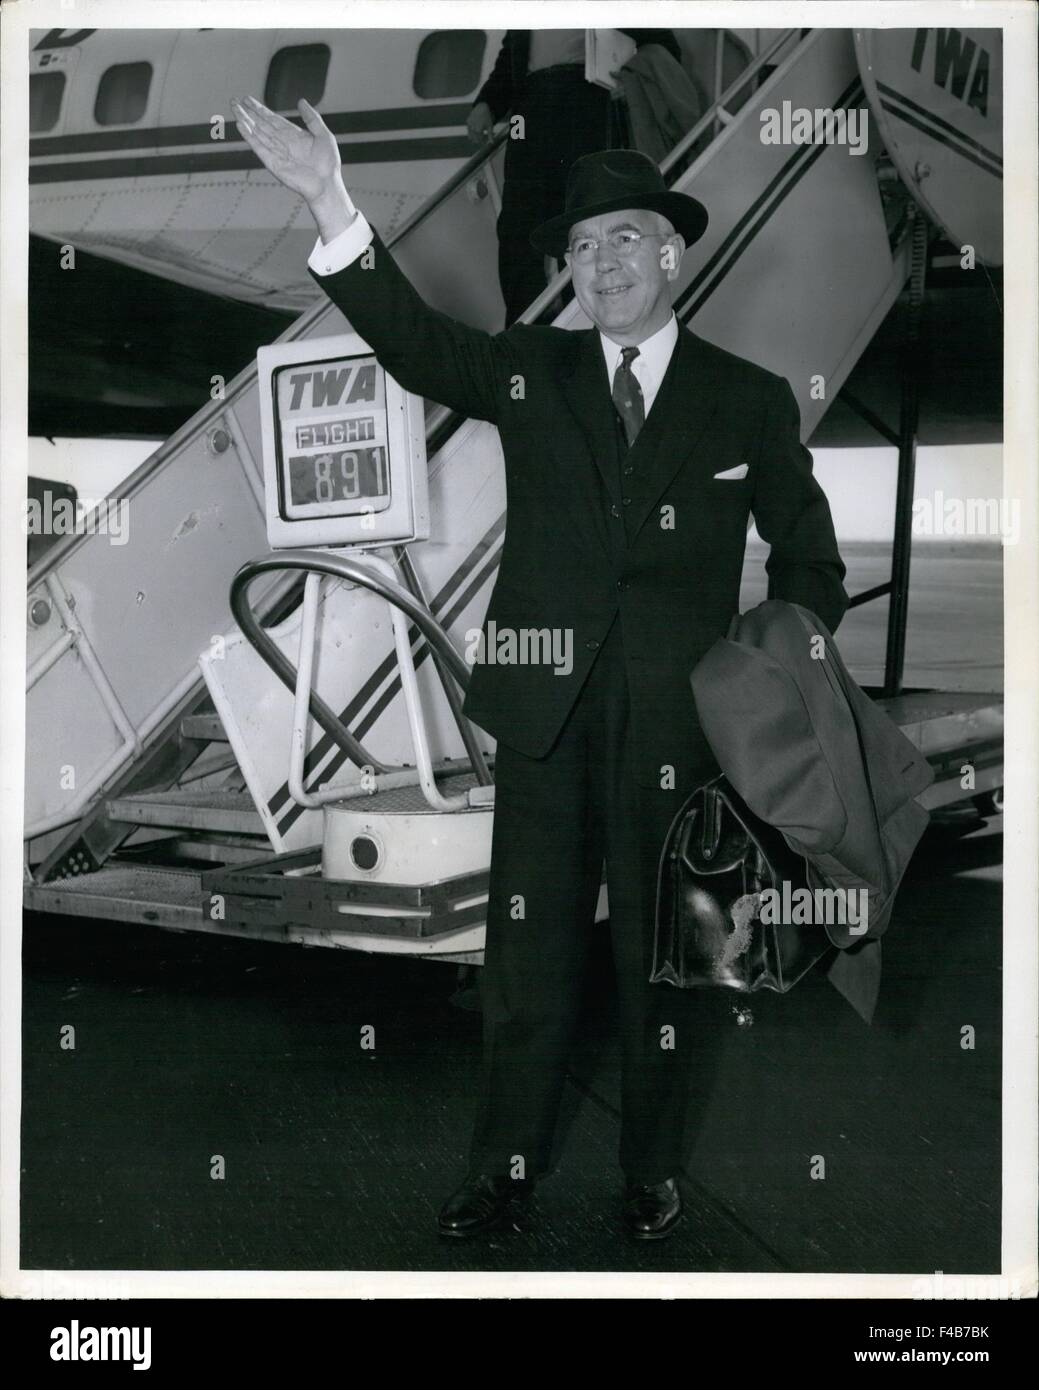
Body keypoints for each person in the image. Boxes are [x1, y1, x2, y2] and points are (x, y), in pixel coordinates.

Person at [231, 94, 848, 1241]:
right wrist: (329, 201)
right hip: (545, 715)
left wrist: (763, 676)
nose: (601, 262)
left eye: (624, 239)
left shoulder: (748, 403)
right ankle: (502, 1165)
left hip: (682, 730)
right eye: (579, 245)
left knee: (669, 958)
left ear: (670, 255)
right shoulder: (532, 371)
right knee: (527, 956)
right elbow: (415, 346)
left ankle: (650, 1168)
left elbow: (812, 563)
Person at [466, 29, 682, 325]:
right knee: (517, 227)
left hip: (586, 97)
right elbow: (509, 62)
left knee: (583, 222)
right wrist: (486, 104)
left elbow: (661, 41)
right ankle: (525, 336)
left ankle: (584, 328)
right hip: (530, 107)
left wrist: (630, 78)